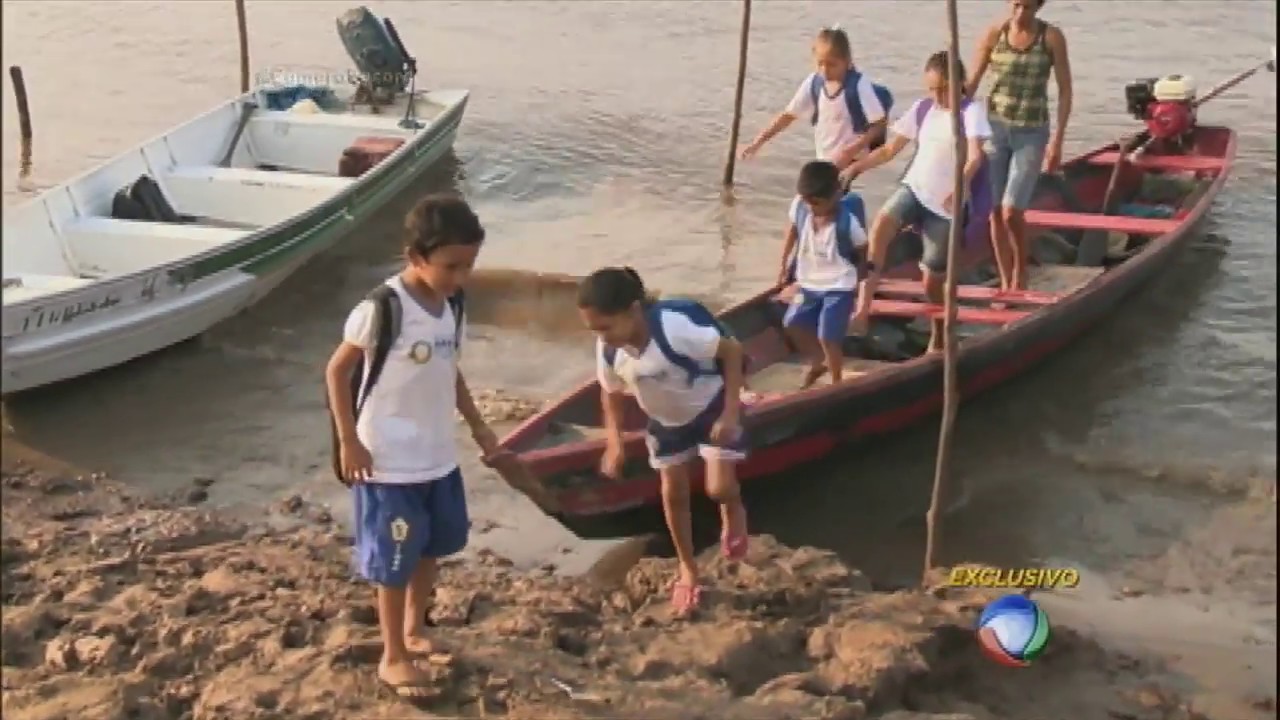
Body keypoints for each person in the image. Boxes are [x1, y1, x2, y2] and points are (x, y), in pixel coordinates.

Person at [324, 194, 502, 700]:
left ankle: (414, 630)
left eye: (468, 265)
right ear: (415, 256)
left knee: (431, 547)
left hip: (437, 454)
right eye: (450, 266)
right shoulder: (382, 308)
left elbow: (451, 373)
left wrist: (480, 428)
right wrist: (349, 441)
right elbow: (337, 372)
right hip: (386, 460)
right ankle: (392, 655)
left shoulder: (453, 305)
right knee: (393, 559)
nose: (460, 276)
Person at [578, 268, 749, 617]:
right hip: (666, 423)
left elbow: (732, 352)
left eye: (606, 327)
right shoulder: (609, 349)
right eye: (594, 330)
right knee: (673, 495)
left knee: (719, 488)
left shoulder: (674, 329)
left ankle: (732, 512)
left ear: (634, 310)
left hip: (710, 407)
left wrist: (730, 412)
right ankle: (688, 567)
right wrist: (615, 443)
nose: (602, 337)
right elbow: (610, 395)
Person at [841, 50, 992, 354]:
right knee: (881, 225)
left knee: (932, 282)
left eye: (943, 89)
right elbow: (888, 151)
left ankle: (939, 333)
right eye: (932, 89)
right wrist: (855, 167)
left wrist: (959, 186)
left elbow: (975, 156)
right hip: (915, 190)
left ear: (960, 82)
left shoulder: (970, 112)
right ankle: (863, 308)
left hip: (945, 208)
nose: (937, 96)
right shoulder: (923, 109)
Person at [965, 0, 1073, 291]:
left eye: (1027, 7)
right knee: (995, 212)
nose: (1020, 13)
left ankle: (1020, 274)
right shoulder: (993, 35)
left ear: (1038, 7)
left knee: (1013, 210)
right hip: (996, 130)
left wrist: (1057, 141)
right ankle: (1005, 278)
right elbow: (971, 85)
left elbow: (1065, 90)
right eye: (1015, 5)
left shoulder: (1050, 37)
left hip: (1032, 132)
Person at [740, 26, 889, 169]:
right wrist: (757, 143)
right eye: (820, 63)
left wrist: (852, 150)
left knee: (814, 193)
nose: (825, 70)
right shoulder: (814, 82)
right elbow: (788, 116)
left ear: (847, 62)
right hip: (825, 158)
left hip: (850, 159)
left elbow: (879, 124)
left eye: (832, 64)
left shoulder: (858, 85)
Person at [778, 160, 868, 387]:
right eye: (807, 202)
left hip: (839, 284)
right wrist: (783, 265)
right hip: (808, 281)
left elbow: (862, 250)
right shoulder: (800, 207)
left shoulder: (848, 224)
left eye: (816, 203)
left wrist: (861, 286)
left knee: (828, 336)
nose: (811, 208)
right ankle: (818, 362)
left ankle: (836, 380)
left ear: (836, 196)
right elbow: (791, 232)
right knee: (792, 323)